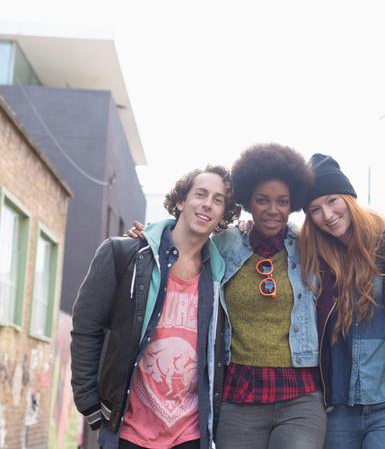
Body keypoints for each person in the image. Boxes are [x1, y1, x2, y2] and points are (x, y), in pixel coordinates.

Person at [70, 165, 239, 449]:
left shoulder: (221, 273)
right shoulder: (123, 254)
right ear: (180, 201)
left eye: (218, 199)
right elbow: (86, 330)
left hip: (190, 435)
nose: (208, 204)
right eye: (200, 194)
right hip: (128, 432)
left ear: (223, 214)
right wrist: (93, 413)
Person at [298, 154, 385, 449]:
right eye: (315, 210)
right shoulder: (313, 259)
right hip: (337, 411)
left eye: (332, 201)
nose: (327, 215)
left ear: (349, 198)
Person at [211, 143, 326, 449]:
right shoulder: (224, 244)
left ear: (293, 204)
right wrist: (154, 234)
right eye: (262, 200)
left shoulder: (308, 246)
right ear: (249, 201)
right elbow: (185, 241)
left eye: (282, 201)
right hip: (240, 394)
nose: (273, 210)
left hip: (301, 395)